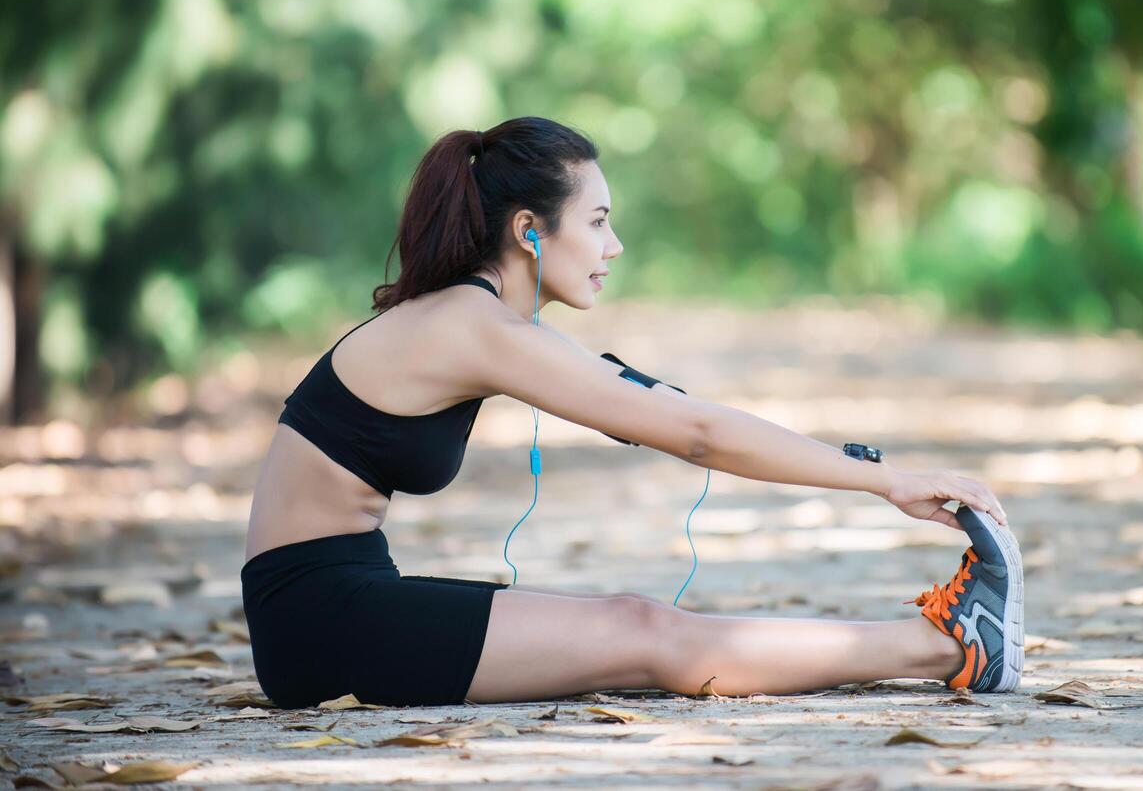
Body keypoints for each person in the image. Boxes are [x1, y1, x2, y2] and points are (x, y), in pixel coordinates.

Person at [240, 115, 1023, 709]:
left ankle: (948, 643)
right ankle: (944, 649)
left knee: (636, 623)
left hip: (340, 598)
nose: (613, 245)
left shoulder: (479, 322)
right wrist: (885, 480)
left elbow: (669, 408)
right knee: (644, 635)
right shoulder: (470, 327)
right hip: (320, 622)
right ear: (527, 232)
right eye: (597, 220)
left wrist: (865, 469)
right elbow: (696, 434)